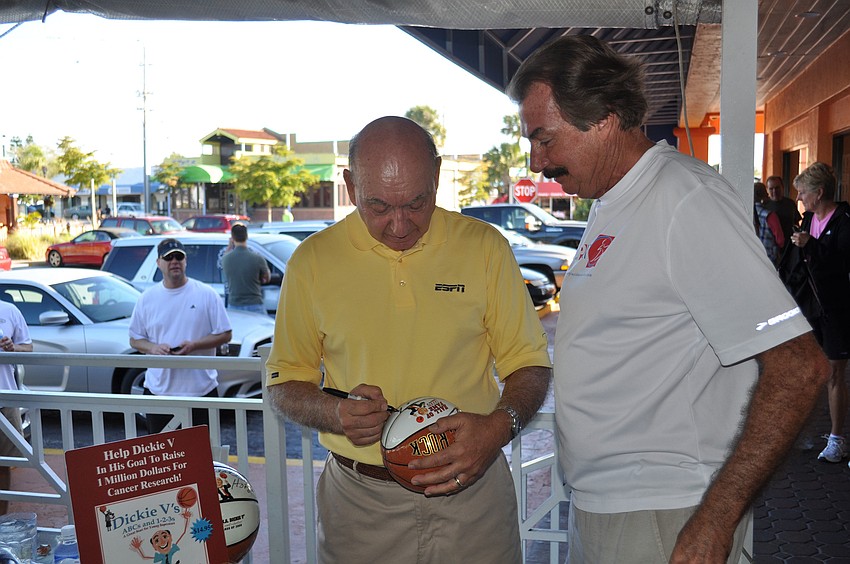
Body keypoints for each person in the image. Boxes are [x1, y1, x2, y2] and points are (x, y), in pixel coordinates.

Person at [507, 34, 829, 563]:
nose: (536, 161)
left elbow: (798, 366)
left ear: (604, 118)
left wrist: (716, 518)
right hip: (609, 508)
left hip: (664, 516)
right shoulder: (615, 200)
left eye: (544, 139)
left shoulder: (684, 199)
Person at [265, 116, 552, 563]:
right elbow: (283, 383)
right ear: (350, 186)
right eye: (379, 206)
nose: (400, 225)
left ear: (436, 176)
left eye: (417, 203)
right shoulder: (311, 262)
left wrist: (498, 428)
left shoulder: (484, 247)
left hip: (473, 495)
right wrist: (335, 413)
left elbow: (528, 362)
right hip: (360, 507)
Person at [782, 162, 850, 464]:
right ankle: (803, 431)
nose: (799, 198)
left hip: (836, 309)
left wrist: (811, 245)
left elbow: (841, 264)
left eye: (803, 193)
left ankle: (836, 439)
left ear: (819, 193)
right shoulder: (808, 219)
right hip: (810, 306)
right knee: (808, 369)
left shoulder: (845, 222)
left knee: (835, 372)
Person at [129, 239, 232, 433]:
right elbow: (135, 339)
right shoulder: (146, 298)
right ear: (158, 263)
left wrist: (194, 345)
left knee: (203, 450)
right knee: (163, 451)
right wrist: (153, 348)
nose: (174, 261)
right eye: (168, 257)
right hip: (159, 391)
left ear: (185, 261)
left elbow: (225, 334)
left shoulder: (207, 294)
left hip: (200, 391)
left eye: (179, 256)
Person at [0, 300, 32, 514]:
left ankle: (2, 522)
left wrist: (13, 348)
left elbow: (27, 347)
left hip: (6, 399)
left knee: (4, 464)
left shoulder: (9, 310)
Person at [221, 223, 270, 315]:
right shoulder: (257, 258)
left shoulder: (226, 259)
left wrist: (229, 246)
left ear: (232, 238)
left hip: (234, 305)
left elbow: (223, 260)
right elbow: (267, 278)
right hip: (255, 303)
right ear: (247, 236)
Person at [765, 175, 802, 250]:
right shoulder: (764, 206)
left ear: (782, 187)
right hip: (771, 248)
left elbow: (796, 224)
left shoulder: (790, 203)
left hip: (790, 246)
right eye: (771, 189)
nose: (774, 191)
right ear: (767, 189)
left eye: (777, 188)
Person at [754, 181, 785, 264]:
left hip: (753, 255)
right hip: (769, 258)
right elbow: (781, 241)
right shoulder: (770, 215)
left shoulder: (746, 213)